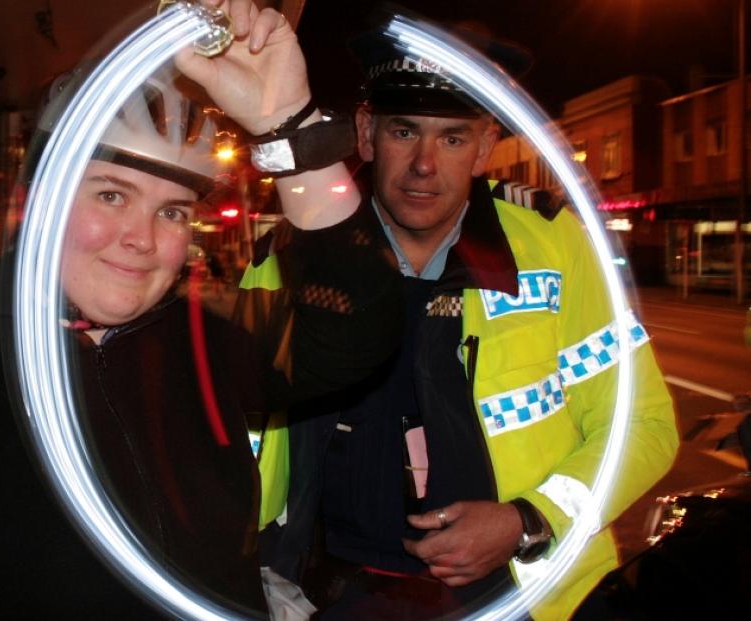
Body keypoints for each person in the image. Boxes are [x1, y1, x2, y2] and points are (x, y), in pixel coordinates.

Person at [0, 3, 400, 619]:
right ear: (38, 205)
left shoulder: (204, 341)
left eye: (171, 211)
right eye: (112, 196)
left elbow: (357, 328)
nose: (143, 239)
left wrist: (290, 128)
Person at [237, 24, 680, 621]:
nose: (424, 165)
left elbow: (645, 425)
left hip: (526, 596)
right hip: (334, 599)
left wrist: (529, 519)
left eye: (452, 138)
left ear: (485, 146)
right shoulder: (287, 258)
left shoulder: (553, 247)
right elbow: (237, 440)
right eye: (404, 132)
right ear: (366, 135)